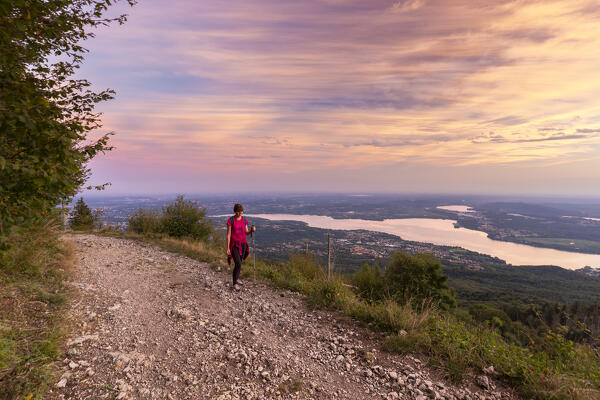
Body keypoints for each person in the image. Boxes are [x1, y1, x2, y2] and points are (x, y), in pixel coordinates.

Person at [226, 203, 255, 291]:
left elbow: (246, 232)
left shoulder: (244, 220)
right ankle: (234, 284)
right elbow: (228, 235)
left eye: (241, 212)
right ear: (235, 211)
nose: (240, 213)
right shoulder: (231, 220)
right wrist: (227, 248)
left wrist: (251, 230)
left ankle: (237, 278)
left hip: (243, 244)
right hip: (234, 245)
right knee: (238, 263)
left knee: (239, 263)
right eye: (238, 212)